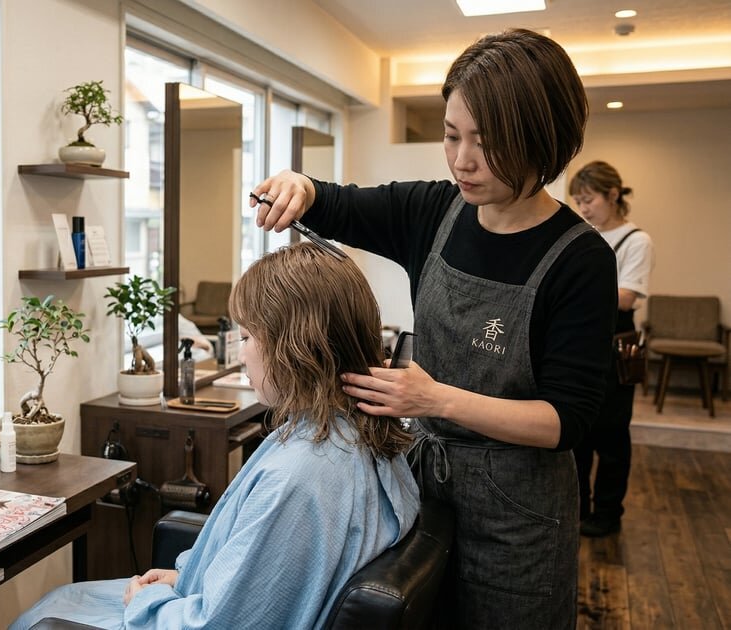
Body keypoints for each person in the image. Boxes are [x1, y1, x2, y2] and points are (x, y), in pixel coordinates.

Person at [250, 28, 616, 628]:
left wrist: (434, 398)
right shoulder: (433, 212)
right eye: (451, 136)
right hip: (423, 495)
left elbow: (566, 420)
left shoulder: (579, 259)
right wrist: (301, 186)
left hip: (519, 518)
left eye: (487, 142)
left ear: (542, 138)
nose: (462, 160)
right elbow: (335, 203)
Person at [9, 242, 420, 630]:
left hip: (187, 617)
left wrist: (143, 603)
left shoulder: (298, 478)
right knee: (62, 598)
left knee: (48, 612)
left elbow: (218, 623)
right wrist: (186, 573)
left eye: (246, 338)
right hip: (200, 596)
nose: (240, 353)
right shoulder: (357, 433)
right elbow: (256, 574)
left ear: (294, 346)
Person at [569, 161, 653, 538]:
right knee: (578, 431)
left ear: (613, 195)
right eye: (578, 202)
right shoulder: (581, 234)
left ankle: (607, 512)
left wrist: (576, 290)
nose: (584, 209)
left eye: (589, 200)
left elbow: (627, 298)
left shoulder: (636, 240)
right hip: (580, 336)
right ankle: (578, 508)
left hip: (618, 343)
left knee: (613, 434)